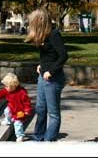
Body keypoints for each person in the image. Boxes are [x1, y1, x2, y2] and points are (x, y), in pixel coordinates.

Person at [25, 8, 68, 142]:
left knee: (53, 113)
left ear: (39, 21)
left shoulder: (54, 34)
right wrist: (41, 65)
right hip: (42, 77)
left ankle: (48, 140)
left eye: (32, 22)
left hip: (53, 79)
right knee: (40, 109)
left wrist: (51, 71)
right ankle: (38, 137)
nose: (30, 25)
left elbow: (63, 56)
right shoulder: (42, 35)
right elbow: (47, 56)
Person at [0, 73, 32, 142]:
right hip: (11, 108)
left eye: (7, 86)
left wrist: (27, 110)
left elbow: (27, 102)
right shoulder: (6, 90)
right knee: (6, 111)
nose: (5, 88)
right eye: (5, 86)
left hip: (20, 111)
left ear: (14, 86)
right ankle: (8, 120)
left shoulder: (22, 92)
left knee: (18, 123)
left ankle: (20, 136)